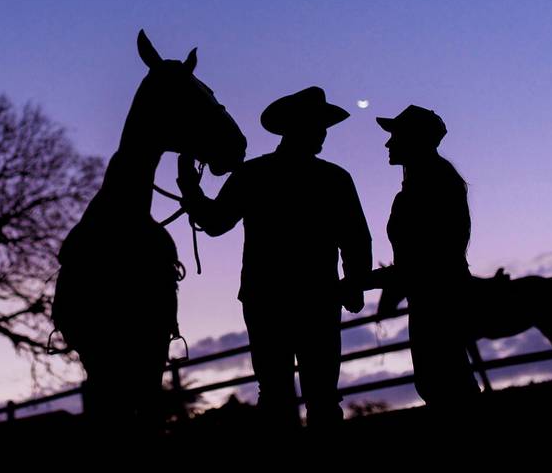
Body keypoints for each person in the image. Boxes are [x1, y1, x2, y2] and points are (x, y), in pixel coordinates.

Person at [177, 86, 371, 429]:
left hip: (267, 298)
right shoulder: (334, 178)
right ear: (299, 128)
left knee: (279, 393)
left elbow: (215, 222)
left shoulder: (254, 175)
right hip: (316, 297)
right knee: (320, 393)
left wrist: (190, 189)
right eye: (317, 126)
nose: (322, 133)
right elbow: (355, 238)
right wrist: (354, 285)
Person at [373, 105, 480, 407]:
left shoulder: (430, 186)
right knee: (444, 380)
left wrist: (369, 280)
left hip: (436, 298)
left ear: (414, 139)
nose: (388, 143)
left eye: (395, 136)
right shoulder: (434, 181)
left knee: (443, 382)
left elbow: (426, 259)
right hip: (433, 295)